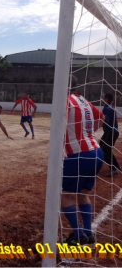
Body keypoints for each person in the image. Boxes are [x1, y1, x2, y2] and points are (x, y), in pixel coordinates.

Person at [62, 76, 104, 246]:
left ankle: (78, 234)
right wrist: (88, 135)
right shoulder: (83, 100)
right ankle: (88, 232)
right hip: (96, 152)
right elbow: (101, 118)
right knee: (82, 194)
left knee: (64, 195)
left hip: (78, 154)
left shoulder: (66, 101)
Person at [99, 93, 121, 177]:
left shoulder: (107, 108)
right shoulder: (110, 107)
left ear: (106, 99)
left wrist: (97, 123)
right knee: (106, 150)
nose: (102, 99)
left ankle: (114, 167)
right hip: (112, 132)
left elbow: (106, 121)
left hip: (110, 132)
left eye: (103, 98)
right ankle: (116, 167)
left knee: (103, 149)